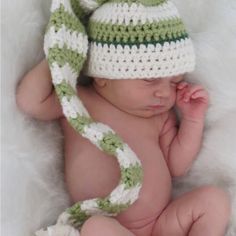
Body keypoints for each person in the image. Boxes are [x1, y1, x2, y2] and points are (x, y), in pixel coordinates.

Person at [16, 0, 231, 235]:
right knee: (95, 227)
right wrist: (60, 58)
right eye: (150, 79)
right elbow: (30, 102)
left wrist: (192, 119)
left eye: (175, 82)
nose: (165, 92)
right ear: (102, 76)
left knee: (214, 200)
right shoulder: (78, 102)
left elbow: (177, 165)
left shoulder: (160, 117)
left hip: (162, 224)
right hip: (113, 225)